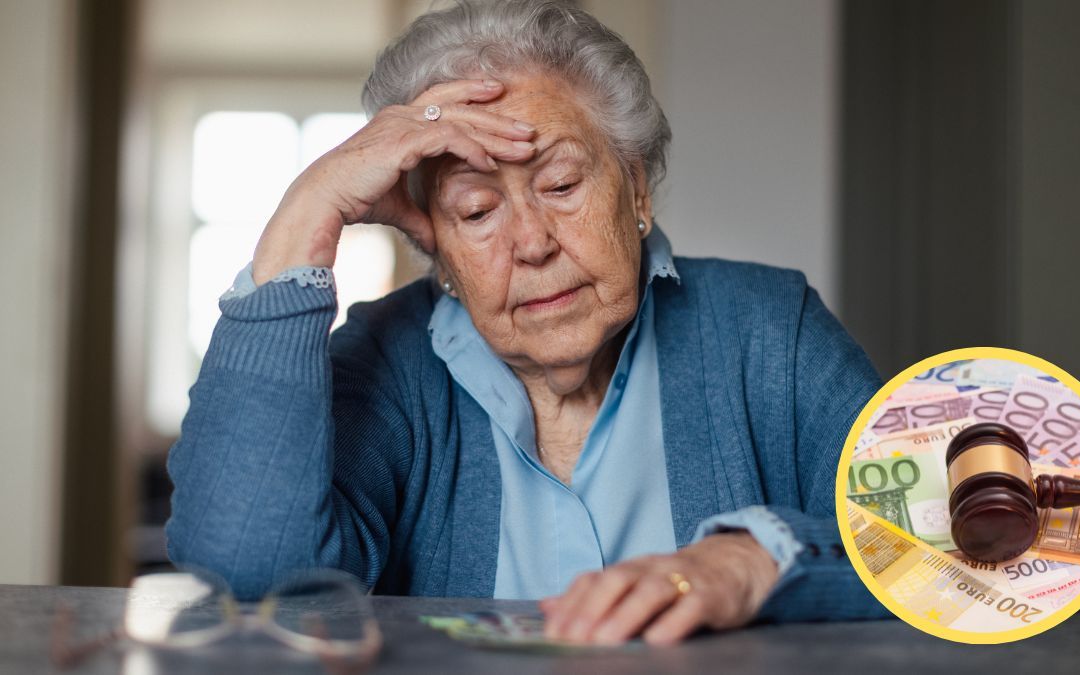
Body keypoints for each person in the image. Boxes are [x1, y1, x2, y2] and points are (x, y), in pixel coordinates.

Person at [166, 0, 889, 645]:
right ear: (435, 243)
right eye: (476, 212)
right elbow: (247, 564)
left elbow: (954, 539)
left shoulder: (769, 333)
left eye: (562, 183)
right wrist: (302, 221)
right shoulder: (389, 362)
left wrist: (752, 559)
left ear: (635, 185)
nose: (534, 242)